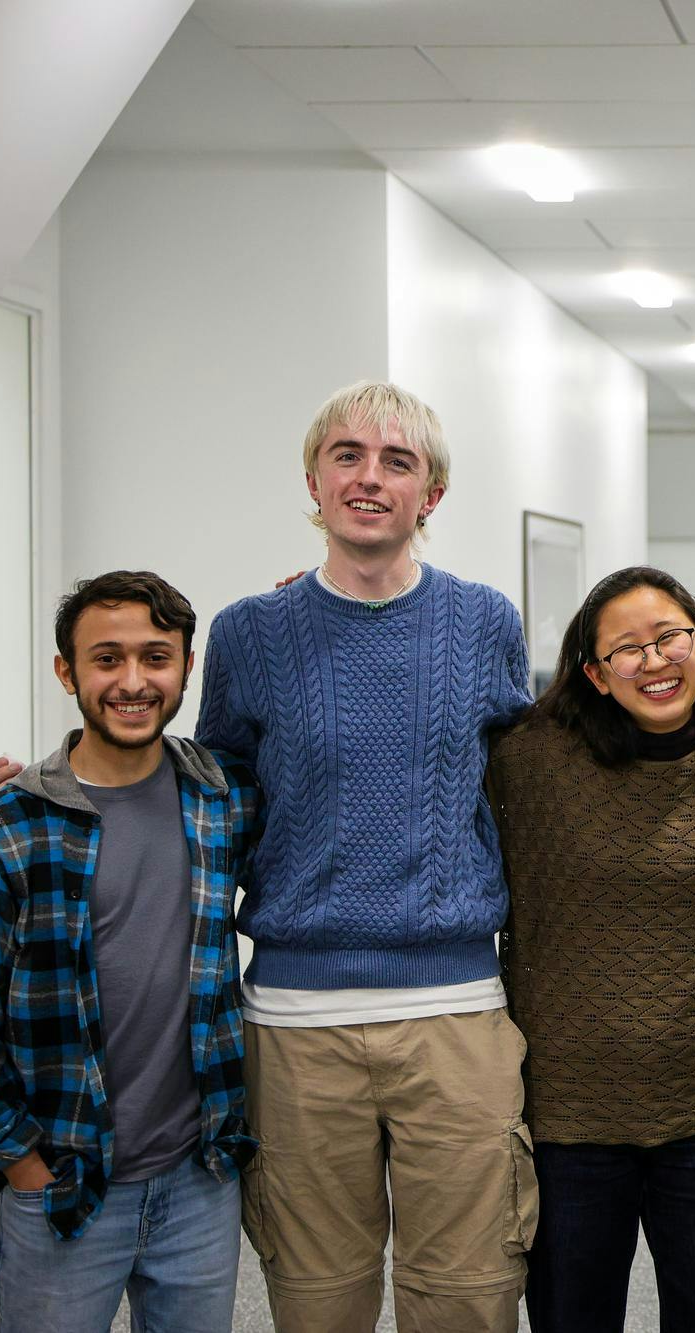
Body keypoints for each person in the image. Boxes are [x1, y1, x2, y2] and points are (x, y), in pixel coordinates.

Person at [193, 382, 536, 1331]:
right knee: (315, 1301)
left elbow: (530, 776)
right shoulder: (248, 633)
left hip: (455, 1015)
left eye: (398, 461)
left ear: (432, 494)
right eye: (347, 455)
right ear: (314, 478)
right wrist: (47, 787)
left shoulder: (483, 622)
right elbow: (207, 794)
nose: (369, 477)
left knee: (467, 1298)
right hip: (298, 1025)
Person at [0, 571, 260, 1333]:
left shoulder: (222, 797)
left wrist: (314, 609)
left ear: (186, 668)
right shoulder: (3, 828)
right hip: (63, 1184)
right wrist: (20, 1164)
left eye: (155, 657)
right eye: (107, 659)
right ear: (66, 671)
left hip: (198, 1180)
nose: (133, 681)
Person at [488, 566, 695, 1333]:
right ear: (593, 674)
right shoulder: (529, 760)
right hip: (567, 1112)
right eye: (626, 649)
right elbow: (412, 745)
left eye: (669, 637)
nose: (654, 660)